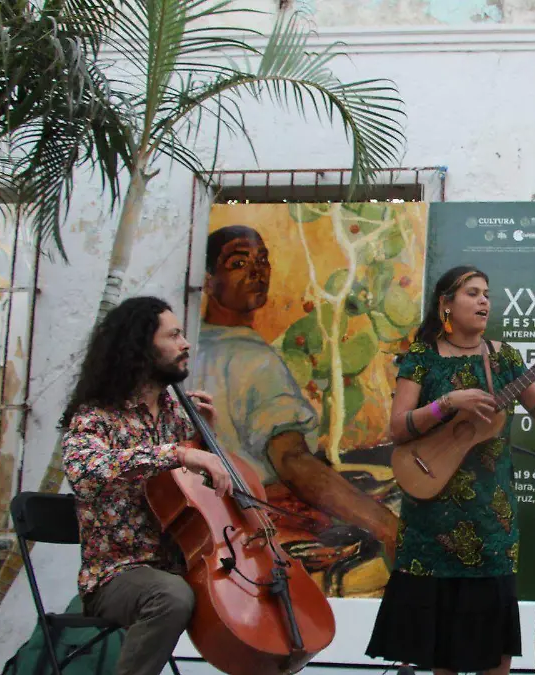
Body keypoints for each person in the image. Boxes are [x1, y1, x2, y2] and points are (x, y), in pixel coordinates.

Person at [365, 265, 535, 675]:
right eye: (472, 293)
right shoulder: (423, 356)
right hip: (431, 518)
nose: (483, 301)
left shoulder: (505, 356)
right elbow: (397, 427)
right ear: (446, 304)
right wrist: (449, 402)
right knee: (442, 654)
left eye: (487, 294)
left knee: (495, 656)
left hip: (491, 521)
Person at [192, 224, 399, 571]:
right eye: (239, 263)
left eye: (262, 260)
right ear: (209, 280)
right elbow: (292, 462)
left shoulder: (195, 345)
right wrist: (389, 528)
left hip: (212, 524)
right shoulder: (252, 359)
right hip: (256, 521)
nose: (257, 271)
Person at [60, 296, 233, 675]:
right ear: (140, 347)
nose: (185, 344)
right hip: (117, 573)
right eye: (173, 336)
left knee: (257, 591)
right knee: (170, 597)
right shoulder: (96, 415)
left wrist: (206, 439)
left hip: (184, 564)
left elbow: (197, 497)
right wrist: (181, 454)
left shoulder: (178, 415)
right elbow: (84, 469)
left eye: (183, 334)